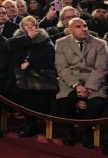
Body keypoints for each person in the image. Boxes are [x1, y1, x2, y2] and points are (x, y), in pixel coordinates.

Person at [55, 17, 108, 149]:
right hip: (70, 81)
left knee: (97, 104)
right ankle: (69, 132)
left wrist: (88, 87)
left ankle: (85, 132)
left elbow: (101, 69)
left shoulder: (100, 44)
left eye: (85, 26)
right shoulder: (61, 43)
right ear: (70, 30)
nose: (84, 29)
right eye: (78, 27)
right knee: (66, 101)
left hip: (93, 81)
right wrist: (76, 85)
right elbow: (62, 68)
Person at [8, 15, 56, 138]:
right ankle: (29, 122)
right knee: (17, 90)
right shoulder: (17, 37)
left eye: (32, 25)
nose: (30, 27)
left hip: (40, 73)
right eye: (26, 25)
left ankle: (32, 123)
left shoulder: (44, 38)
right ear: (22, 27)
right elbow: (9, 48)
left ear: (37, 26)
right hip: (20, 74)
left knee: (37, 92)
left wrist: (30, 62)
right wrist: (27, 38)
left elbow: (49, 54)